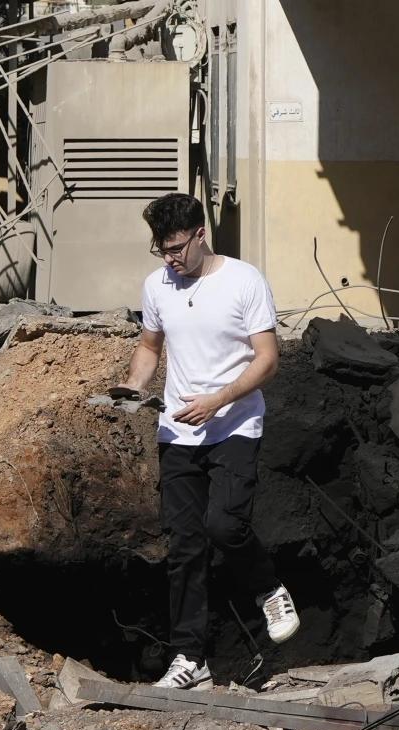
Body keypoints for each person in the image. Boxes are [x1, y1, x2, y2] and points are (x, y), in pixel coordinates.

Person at [116, 193, 300, 689]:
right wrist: (134, 388)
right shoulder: (157, 285)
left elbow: (267, 358)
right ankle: (190, 659)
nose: (170, 258)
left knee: (223, 525)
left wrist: (218, 399)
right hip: (177, 430)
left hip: (234, 424)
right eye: (162, 249)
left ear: (201, 234)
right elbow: (149, 347)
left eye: (176, 247)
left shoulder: (244, 280)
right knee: (184, 547)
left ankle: (268, 589)